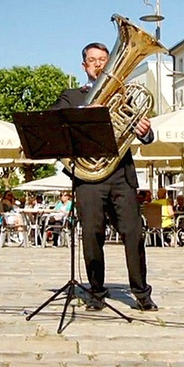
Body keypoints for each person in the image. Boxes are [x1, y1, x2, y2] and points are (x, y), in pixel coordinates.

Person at [51, 41, 158, 312]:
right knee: (92, 235)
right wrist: (80, 114)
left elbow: (147, 137)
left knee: (133, 234)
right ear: (83, 66)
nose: (98, 64)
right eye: (92, 60)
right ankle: (96, 292)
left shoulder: (126, 96)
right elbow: (52, 123)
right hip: (89, 177)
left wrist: (144, 131)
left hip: (121, 173)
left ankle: (141, 292)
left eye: (103, 59)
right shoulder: (71, 96)